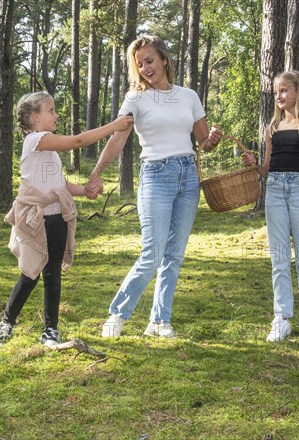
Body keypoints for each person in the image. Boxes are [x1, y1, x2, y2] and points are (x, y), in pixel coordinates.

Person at [88, 35, 222, 339]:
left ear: (164, 59)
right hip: (156, 176)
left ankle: (160, 321)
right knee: (153, 252)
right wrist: (96, 172)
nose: (145, 68)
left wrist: (213, 138)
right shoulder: (135, 98)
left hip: (188, 176)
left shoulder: (188, 95)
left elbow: (203, 143)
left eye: (150, 60)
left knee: (174, 254)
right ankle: (117, 314)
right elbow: (118, 138)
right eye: (140, 64)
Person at [0, 91, 133, 346]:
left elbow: (58, 184)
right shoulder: (34, 141)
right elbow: (78, 141)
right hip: (34, 221)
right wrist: (114, 126)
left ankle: (50, 330)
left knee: (52, 275)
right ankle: (7, 321)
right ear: (35, 117)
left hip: (56, 218)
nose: (56, 115)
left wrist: (84, 191)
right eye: (51, 111)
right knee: (29, 275)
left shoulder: (50, 151)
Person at [242, 70, 299, 342]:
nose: (279, 96)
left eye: (284, 90)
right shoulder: (272, 129)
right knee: (279, 258)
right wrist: (255, 165)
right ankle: (281, 317)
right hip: (275, 192)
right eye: (276, 92)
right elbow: (268, 171)